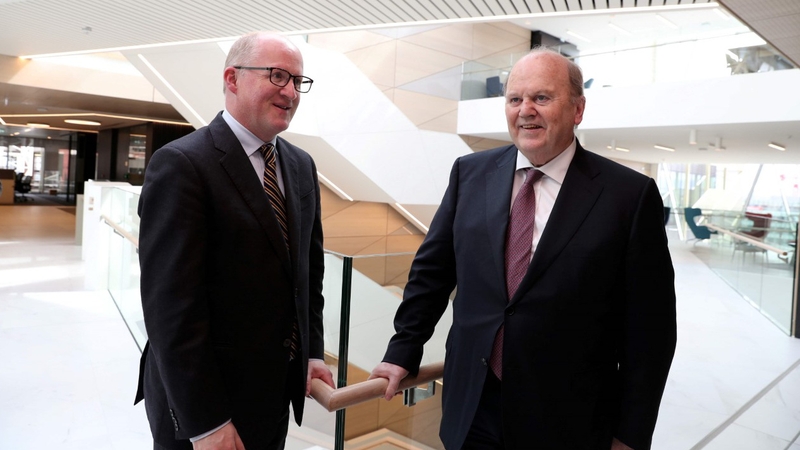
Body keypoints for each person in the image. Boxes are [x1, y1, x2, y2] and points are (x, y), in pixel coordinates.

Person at [370, 48, 676, 450]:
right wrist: (402, 351)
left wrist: (630, 433)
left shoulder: (629, 196)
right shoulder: (470, 173)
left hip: (568, 420)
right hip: (472, 405)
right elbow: (433, 272)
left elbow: (650, 332)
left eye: (542, 98)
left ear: (578, 109)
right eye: (515, 99)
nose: (525, 110)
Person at [134, 32, 334, 450]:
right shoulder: (182, 164)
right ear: (232, 78)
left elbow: (306, 276)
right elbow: (170, 308)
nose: (291, 92)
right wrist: (206, 423)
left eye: (299, 81)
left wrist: (311, 354)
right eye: (278, 76)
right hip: (204, 403)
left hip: (274, 392)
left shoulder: (300, 165)